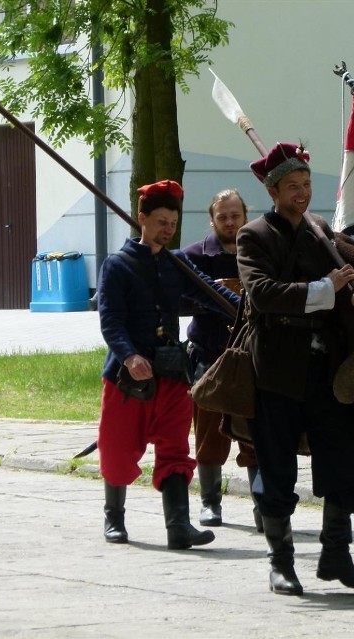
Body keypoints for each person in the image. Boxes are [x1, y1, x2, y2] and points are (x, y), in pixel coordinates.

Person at [236, 142, 354, 596]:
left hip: (325, 370)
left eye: (306, 184)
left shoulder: (321, 229)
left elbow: (351, 268)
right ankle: (281, 561)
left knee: (343, 456)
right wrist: (325, 287)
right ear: (273, 190)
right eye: (292, 187)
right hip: (277, 371)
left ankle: (336, 554)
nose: (302, 193)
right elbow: (262, 293)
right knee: (277, 466)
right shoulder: (254, 235)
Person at [96, 179, 241, 550]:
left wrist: (245, 309)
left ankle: (178, 525)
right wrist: (129, 356)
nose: (167, 229)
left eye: (172, 223)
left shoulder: (178, 264)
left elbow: (210, 291)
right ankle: (114, 518)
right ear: (141, 219)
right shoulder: (118, 265)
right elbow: (111, 320)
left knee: (176, 447)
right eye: (161, 221)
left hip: (172, 373)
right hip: (127, 377)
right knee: (117, 447)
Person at [182, 189, 262, 531]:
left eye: (235, 215)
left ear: (245, 215)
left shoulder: (261, 250)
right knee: (209, 434)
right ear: (212, 220)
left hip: (252, 358)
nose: (229, 222)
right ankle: (210, 502)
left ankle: (264, 504)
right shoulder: (193, 256)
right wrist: (215, 293)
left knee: (257, 434)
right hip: (210, 357)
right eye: (222, 217)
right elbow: (179, 300)